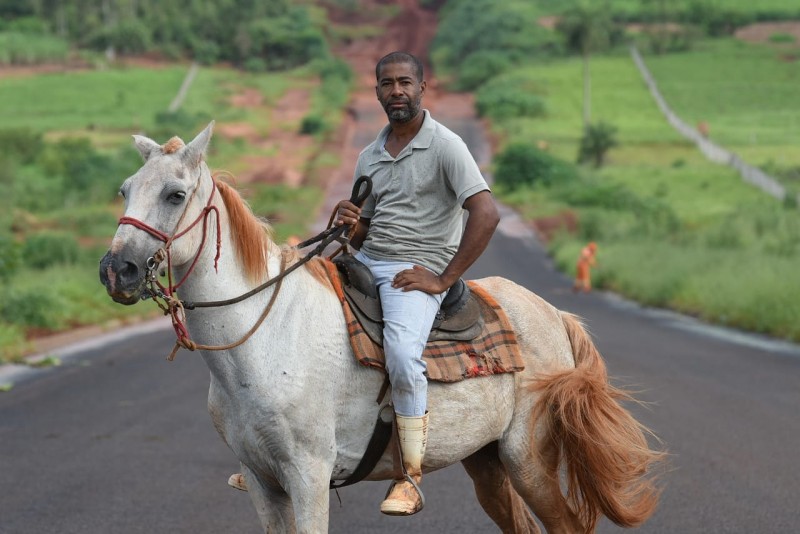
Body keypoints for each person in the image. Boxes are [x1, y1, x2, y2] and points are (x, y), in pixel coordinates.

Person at [334, 51, 499, 516]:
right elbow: (365, 229)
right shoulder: (368, 155)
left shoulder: (446, 146)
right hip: (367, 259)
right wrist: (349, 223)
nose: (396, 91)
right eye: (387, 84)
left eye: (405, 82)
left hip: (416, 269)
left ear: (423, 88)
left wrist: (444, 278)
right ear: (378, 92)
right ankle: (282, 455)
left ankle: (409, 477)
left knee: (403, 356)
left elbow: (486, 213)